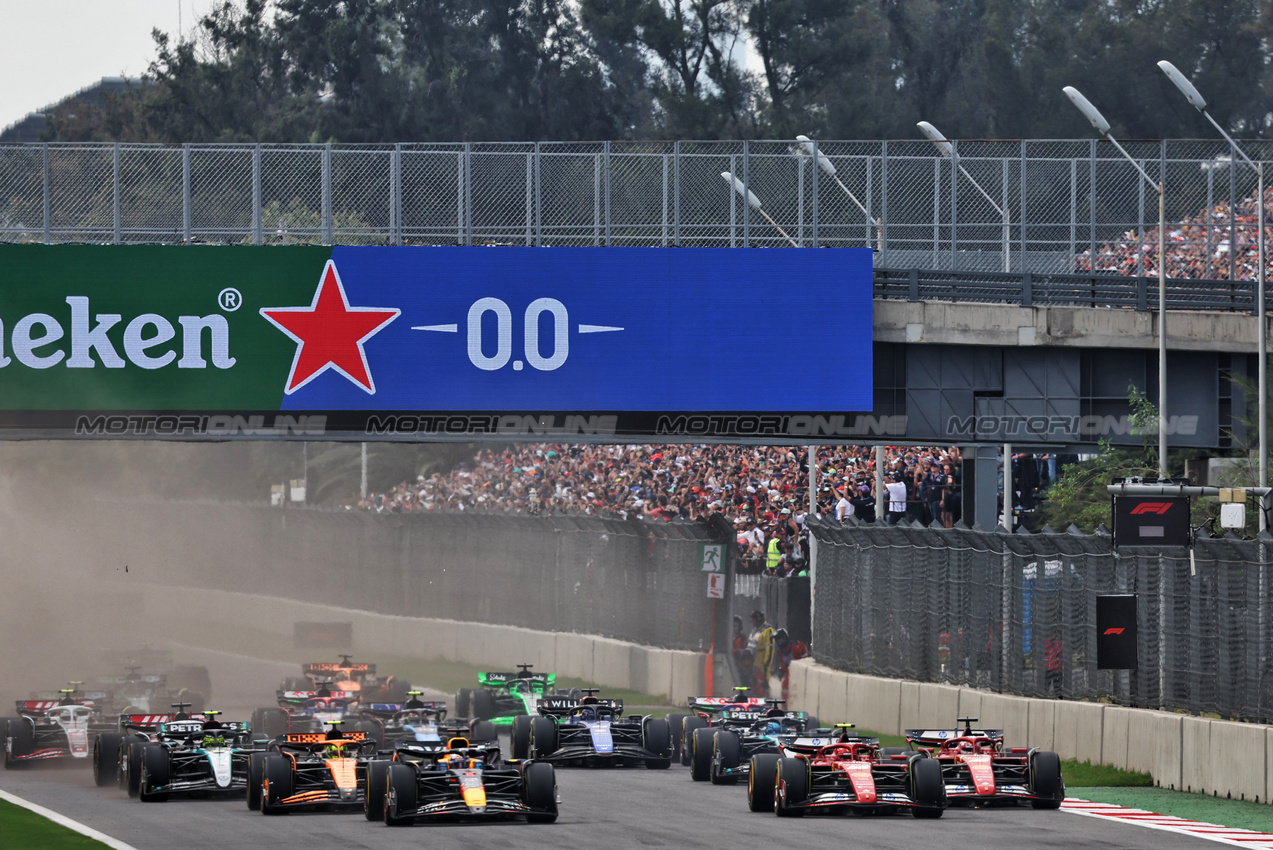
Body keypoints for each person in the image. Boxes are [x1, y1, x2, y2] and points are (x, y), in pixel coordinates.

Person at [748, 610, 776, 697]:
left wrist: (767, 665)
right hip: (754, 664)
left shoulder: (768, 630)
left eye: (753, 620)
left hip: (763, 665)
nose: (752, 622)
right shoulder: (755, 631)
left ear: (758, 619)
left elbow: (770, 649)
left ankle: (768, 703)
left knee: (764, 686)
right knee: (754, 687)